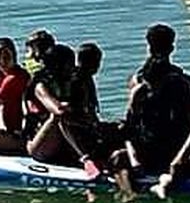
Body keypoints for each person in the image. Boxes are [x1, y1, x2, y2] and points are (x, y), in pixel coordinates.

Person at [113, 23, 190, 198]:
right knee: (119, 157)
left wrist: (180, 156)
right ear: (172, 48)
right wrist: (134, 156)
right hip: (153, 148)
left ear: (148, 46)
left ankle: (132, 194)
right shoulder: (144, 83)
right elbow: (129, 128)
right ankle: (137, 192)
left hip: (169, 147)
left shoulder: (177, 82)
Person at [26, 42, 122, 172]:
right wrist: (72, 109)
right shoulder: (41, 86)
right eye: (69, 65)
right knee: (61, 115)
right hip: (42, 145)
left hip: (67, 138)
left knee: (118, 126)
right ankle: (87, 159)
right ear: (56, 66)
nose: (73, 68)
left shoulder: (76, 81)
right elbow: (57, 109)